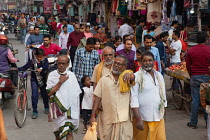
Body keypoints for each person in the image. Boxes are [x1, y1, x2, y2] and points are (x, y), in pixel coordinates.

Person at [90, 55, 135, 140]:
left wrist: (130, 75)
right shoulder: (104, 79)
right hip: (107, 118)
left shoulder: (127, 79)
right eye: (115, 63)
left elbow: (133, 78)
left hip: (123, 119)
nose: (116, 65)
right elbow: (97, 98)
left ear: (124, 67)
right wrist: (92, 115)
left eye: (119, 64)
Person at [131, 51, 167, 140]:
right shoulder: (136, 76)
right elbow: (133, 98)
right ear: (140, 63)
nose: (148, 63)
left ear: (154, 61)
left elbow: (163, 95)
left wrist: (164, 112)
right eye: (145, 61)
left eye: (150, 60)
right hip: (143, 117)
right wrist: (138, 118)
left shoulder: (159, 75)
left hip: (158, 116)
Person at [46, 55, 81, 140]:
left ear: (67, 64)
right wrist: (60, 82)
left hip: (70, 111)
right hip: (58, 110)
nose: (61, 65)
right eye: (59, 63)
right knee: (58, 134)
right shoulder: (52, 75)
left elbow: (75, 95)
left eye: (63, 63)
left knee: (68, 132)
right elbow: (49, 93)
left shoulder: (71, 76)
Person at [186, 31, 210, 129]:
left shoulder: (191, 51)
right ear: (206, 39)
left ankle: (193, 122)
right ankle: (207, 123)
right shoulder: (209, 50)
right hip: (207, 77)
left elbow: (188, 65)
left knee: (195, 100)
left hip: (195, 76)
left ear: (196, 40)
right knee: (206, 100)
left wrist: (192, 75)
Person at [18, 49, 49, 119]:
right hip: (34, 79)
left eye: (41, 57)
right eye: (38, 57)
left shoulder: (45, 61)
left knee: (44, 94)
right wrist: (17, 69)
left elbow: (46, 66)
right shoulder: (32, 62)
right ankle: (35, 111)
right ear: (35, 56)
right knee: (34, 95)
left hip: (43, 80)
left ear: (43, 56)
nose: (39, 58)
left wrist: (41, 68)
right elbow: (25, 67)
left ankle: (46, 107)